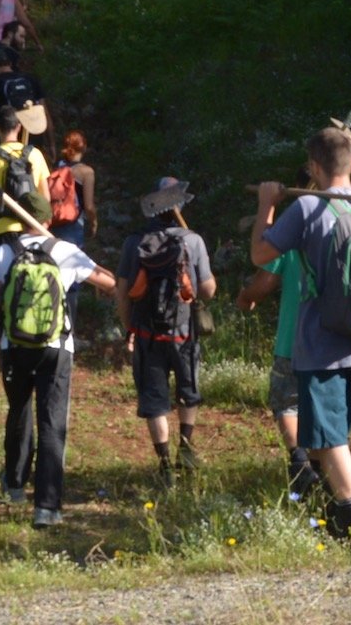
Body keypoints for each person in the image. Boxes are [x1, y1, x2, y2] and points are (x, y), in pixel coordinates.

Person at [250, 126, 351, 551]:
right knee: (323, 435)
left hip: (320, 344)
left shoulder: (306, 208)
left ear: (315, 168)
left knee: (331, 438)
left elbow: (260, 256)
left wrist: (266, 206)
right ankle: (332, 519)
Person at [0, 191, 115, 527]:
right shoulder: (65, 251)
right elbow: (110, 284)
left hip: (14, 345)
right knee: (52, 421)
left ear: (19, 220)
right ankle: (47, 508)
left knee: (19, 410)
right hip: (56, 348)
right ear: (48, 219)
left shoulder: (4, 252)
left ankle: (16, 486)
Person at [115, 177, 217, 484]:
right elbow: (208, 289)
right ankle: (185, 447)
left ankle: (163, 466)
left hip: (147, 333)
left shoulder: (134, 242)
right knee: (188, 392)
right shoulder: (193, 241)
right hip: (184, 332)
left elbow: (122, 291)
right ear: (179, 205)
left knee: (154, 399)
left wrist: (128, 326)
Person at [236, 166, 320, 497]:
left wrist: (245, 298)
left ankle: (300, 463)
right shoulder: (339, 221)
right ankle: (322, 476)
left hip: (293, 339)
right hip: (333, 341)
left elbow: (265, 278)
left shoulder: (294, 228)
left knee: (287, 403)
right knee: (318, 407)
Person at [0, 104, 51, 261]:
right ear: (19, 126)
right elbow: (45, 198)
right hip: (31, 231)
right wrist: (42, 227)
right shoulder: (35, 154)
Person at [49, 130, 99, 332]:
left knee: (52, 273)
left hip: (53, 224)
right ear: (84, 148)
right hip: (73, 226)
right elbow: (88, 206)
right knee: (71, 278)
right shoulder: (86, 172)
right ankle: (68, 331)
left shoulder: (56, 168)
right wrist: (94, 222)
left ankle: (49, 324)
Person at [0, 46, 56, 159]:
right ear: (10, 63)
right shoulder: (31, 79)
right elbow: (45, 113)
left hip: (10, 139)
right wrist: (52, 144)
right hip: (34, 133)